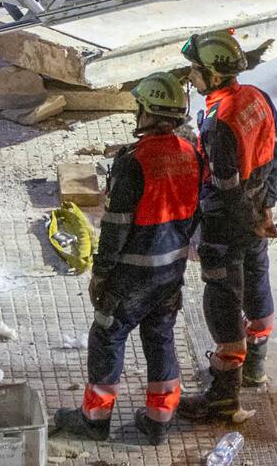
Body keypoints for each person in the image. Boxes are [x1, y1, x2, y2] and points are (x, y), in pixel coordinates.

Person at [54, 72, 202, 445]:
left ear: (148, 113)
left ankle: (95, 419)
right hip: (171, 270)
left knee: (106, 336)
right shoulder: (191, 154)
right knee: (161, 336)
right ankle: (159, 419)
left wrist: (101, 273)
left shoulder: (134, 161)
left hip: (132, 275)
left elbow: (117, 227)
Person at [177, 30, 277, 422]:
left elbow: (225, 186)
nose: (190, 76)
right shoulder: (255, 98)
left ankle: (224, 396)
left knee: (222, 299)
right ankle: (256, 366)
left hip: (229, 224)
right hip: (256, 210)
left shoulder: (219, 121)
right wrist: (266, 209)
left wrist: (241, 225)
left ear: (214, 74)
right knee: (257, 283)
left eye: (195, 70)